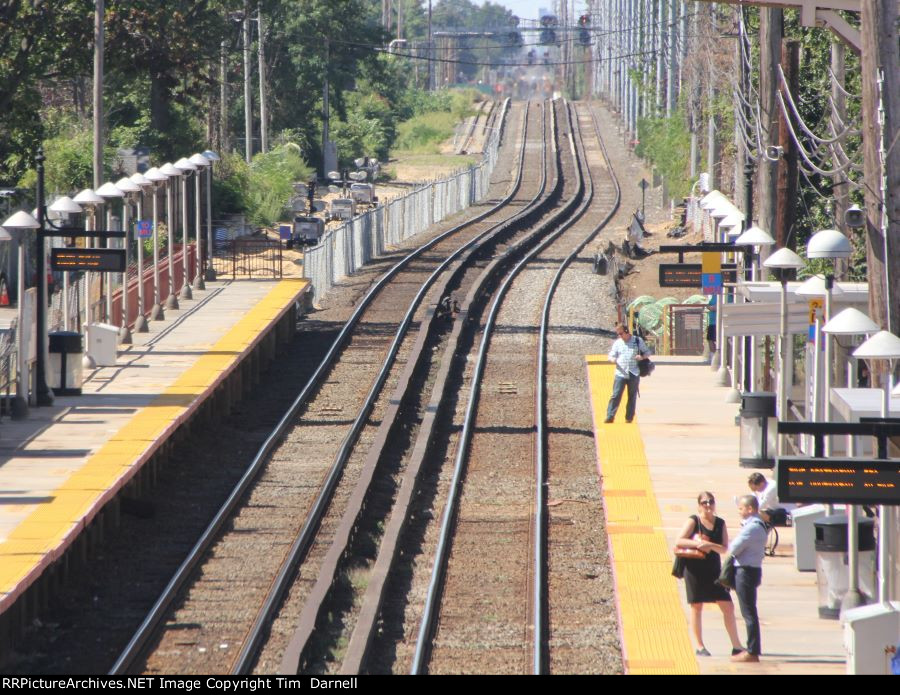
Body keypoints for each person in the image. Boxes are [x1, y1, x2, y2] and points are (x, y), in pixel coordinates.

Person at [675, 492, 743, 657]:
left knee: (727, 605)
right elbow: (679, 541)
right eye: (704, 502)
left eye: (710, 502)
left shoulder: (720, 523)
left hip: (713, 570)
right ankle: (700, 646)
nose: (708, 505)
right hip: (694, 570)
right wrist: (699, 544)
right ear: (699, 505)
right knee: (697, 606)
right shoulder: (694, 521)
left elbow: (724, 548)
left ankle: (737, 646)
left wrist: (710, 545)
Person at [727, 494, 768, 663]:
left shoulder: (752, 528)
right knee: (749, 611)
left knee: (748, 612)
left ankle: (752, 651)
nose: (739, 511)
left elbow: (733, 548)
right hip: (752, 570)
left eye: (741, 508)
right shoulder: (757, 525)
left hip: (746, 572)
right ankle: (752, 648)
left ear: (750, 509)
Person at [604, 322, 650, 424]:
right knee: (616, 395)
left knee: (632, 396)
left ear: (626, 332)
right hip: (620, 373)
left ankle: (629, 418)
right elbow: (611, 355)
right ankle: (610, 416)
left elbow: (647, 352)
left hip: (634, 372)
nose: (619, 336)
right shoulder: (618, 343)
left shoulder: (638, 341)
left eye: (621, 334)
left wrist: (642, 357)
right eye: (618, 334)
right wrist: (613, 359)